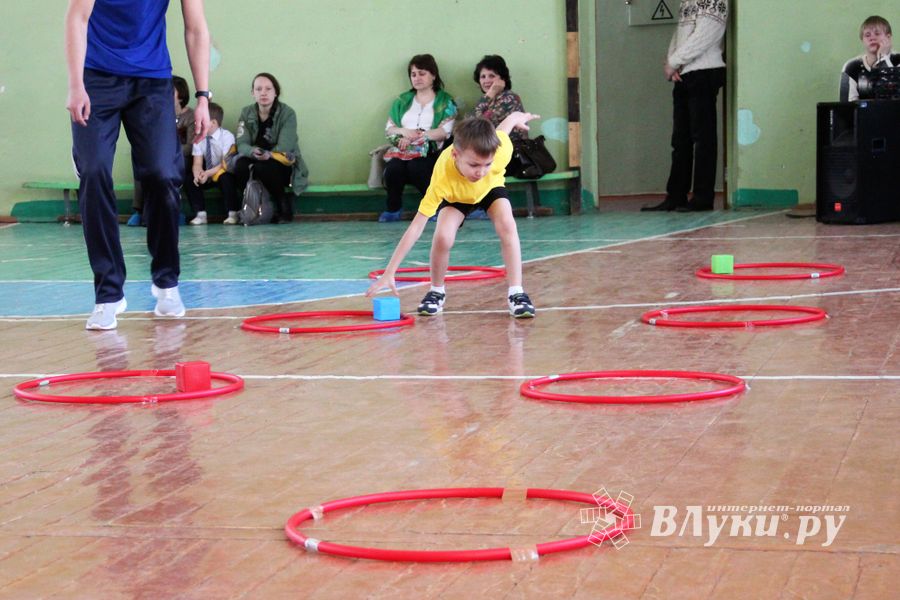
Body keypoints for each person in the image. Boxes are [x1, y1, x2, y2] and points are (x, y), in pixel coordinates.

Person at [66, 0, 210, 330]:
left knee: (163, 174)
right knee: (93, 172)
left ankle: (166, 282)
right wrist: (75, 85)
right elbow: (77, 18)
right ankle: (108, 294)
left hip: (152, 82)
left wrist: (203, 97)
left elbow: (196, 28)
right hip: (97, 78)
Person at [366, 113, 539, 318]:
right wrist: (390, 272)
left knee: (508, 225)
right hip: (456, 195)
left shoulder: (500, 151)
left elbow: (503, 129)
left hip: (490, 189)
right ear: (455, 155)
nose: (480, 171)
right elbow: (416, 227)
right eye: (474, 165)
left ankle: (516, 292)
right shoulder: (442, 176)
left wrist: (518, 117)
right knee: (443, 237)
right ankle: (436, 291)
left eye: (487, 164)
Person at [642, 0, 727, 213]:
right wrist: (672, 62)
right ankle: (676, 196)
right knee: (680, 140)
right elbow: (680, 33)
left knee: (703, 139)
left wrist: (675, 62)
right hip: (684, 72)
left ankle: (702, 198)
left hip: (705, 72)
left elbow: (706, 35)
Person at [379, 54, 457, 223]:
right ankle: (393, 209)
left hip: (431, 151)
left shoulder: (446, 101)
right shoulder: (401, 101)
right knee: (393, 169)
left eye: (422, 73)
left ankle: (434, 208)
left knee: (417, 167)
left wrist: (417, 137)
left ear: (433, 75)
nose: (417, 78)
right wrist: (403, 131)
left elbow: (445, 131)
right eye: (413, 74)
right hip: (402, 150)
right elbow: (389, 129)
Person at [233, 72, 309, 224]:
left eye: (268, 89)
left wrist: (268, 154)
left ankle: (283, 205)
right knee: (240, 166)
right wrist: (252, 151)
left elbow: (286, 145)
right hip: (255, 157)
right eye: (258, 89)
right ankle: (251, 207)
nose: (263, 93)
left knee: (264, 167)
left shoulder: (288, 113)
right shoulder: (246, 112)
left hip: (281, 161)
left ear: (276, 93)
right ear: (253, 93)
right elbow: (241, 143)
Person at [128, 75, 195, 227]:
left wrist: (169, 152)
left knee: (164, 166)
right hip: (160, 155)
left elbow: (191, 145)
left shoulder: (191, 116)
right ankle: (139, 210)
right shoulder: (158, 114)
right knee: (142, 160)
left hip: (183, 157)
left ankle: (171, 211)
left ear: (181, 96)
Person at [186, 102, 238, 225]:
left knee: (226, 178)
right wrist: (198, 174)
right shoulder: (198, 138)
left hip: (222, 170)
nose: (196, 122)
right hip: (208, 173)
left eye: (201, 120)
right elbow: (197, 162)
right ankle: (200, 214)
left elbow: (225, 163)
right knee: (190, 180)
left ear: (213, 122)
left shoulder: (227, 137)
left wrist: (207, 173)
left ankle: (232, 213)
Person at [840, 16, 900, 102]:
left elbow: (893, 97)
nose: (872, 38)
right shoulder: (851, 67)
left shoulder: (898, 61)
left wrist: (883, 58)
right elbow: (846, 106)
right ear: (862, 40)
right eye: (867, 35)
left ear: (888, 37)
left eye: (877, 33)